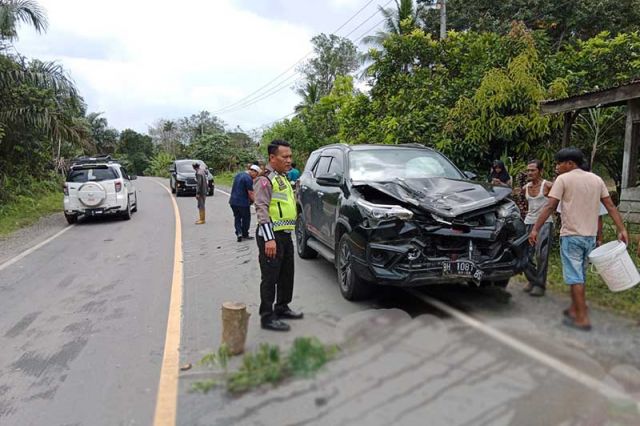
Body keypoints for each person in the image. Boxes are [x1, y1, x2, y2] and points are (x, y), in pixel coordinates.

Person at [529, 148, 629, 331]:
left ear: (570, 164)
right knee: (579, 275)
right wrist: (621, 229)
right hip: (589, 238)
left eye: (559, 163)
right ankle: (575, 309)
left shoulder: (563, 180)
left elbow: (550, 206)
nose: (557, 167)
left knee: (575, 278)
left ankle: (582, 317)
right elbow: (610, 206)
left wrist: (535, 228)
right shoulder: (596, 179)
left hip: (571, 236)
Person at [253, 139, 303, 331]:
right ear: (272, 158)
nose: (289, 160)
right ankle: (267, 316)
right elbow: (261, 209)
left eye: (290, 156)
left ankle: (282, 307)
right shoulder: (265, 179)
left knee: (286, 274)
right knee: (270, 277)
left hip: (285, 234)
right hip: (271, 236)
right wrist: (269, 239)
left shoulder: (283, 177)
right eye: (285, 157)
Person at [522, 159, 553, 297]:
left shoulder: (548, 185)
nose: (530, 172)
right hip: (529, 222)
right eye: (528, 170)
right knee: (524, 254)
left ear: (540, 171)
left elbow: (555, 202)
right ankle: (533, 279)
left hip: (545, 223)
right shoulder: (526, 187)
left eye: (533, 170)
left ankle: (539, 285)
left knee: (541, 255)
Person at [229, 164, 261, 242]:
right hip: (242, 202)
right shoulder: (248, 179)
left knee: (237, 217)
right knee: (246, 218)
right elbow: (250, 193)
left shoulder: (238, 175)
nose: (255, 177)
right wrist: (256, 202)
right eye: (256, 175)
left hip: (233, 201)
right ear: (253, 171)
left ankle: (239, 233)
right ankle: (245, 234)